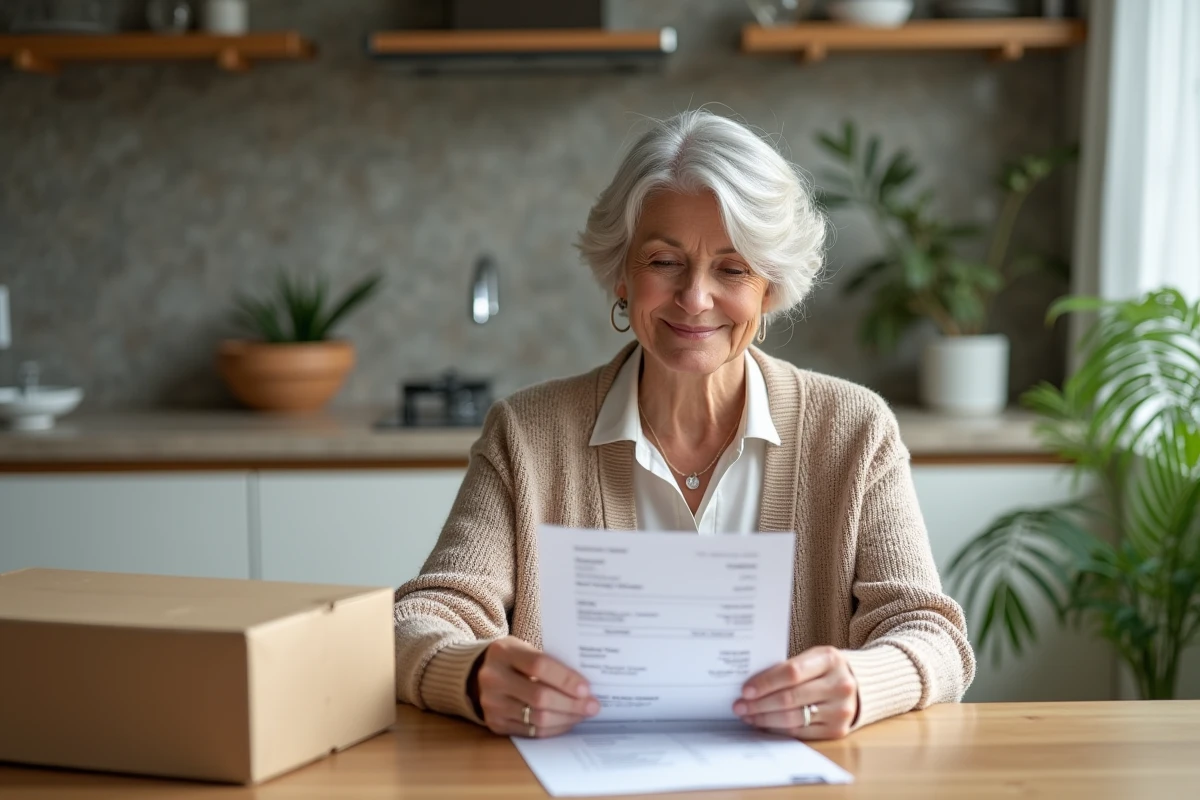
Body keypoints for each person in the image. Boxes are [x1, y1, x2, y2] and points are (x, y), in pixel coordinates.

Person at [393, 110, 975, 741]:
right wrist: (473, 673)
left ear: (770, 286)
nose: (695, 298)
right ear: (621, 272)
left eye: (731, 269)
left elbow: (933, 635)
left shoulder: (854, 430)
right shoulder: (528, 434)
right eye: (664, 261)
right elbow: (419, 619)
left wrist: (861, 685)